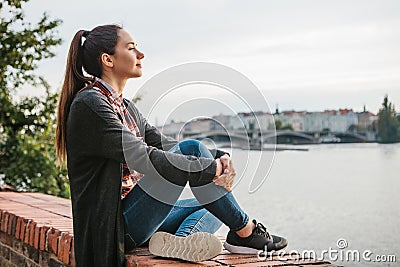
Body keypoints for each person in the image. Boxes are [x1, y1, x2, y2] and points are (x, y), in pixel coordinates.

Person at [56, 24, 288, 267]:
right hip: (114, 228)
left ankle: (180, 243)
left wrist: (221, 156)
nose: (141, 55)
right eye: (132, 48)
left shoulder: (125, 107)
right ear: (108, 60)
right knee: (191, 150)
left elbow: (164, 145)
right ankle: (246, 232)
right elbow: (141, 157)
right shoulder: (90, 104)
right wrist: (211, 169)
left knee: (214, 204)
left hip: (137, 217)